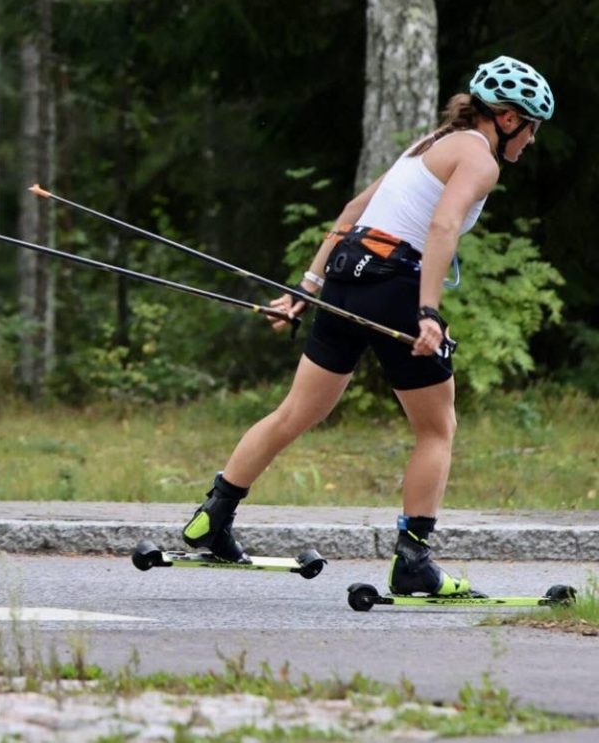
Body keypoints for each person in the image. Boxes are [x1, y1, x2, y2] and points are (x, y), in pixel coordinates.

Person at [181, 57, 553, 597]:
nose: (532, 140)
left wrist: (305, 290)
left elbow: (355, 211)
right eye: (531, 125)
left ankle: (212, 519)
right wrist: (427, 313)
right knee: (436, 429)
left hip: (347, 273)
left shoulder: (430, 142)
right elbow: (442, 225)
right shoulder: (479, 158)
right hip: (394, 283)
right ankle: (414, 562)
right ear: (507, 119)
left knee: (295, 412)